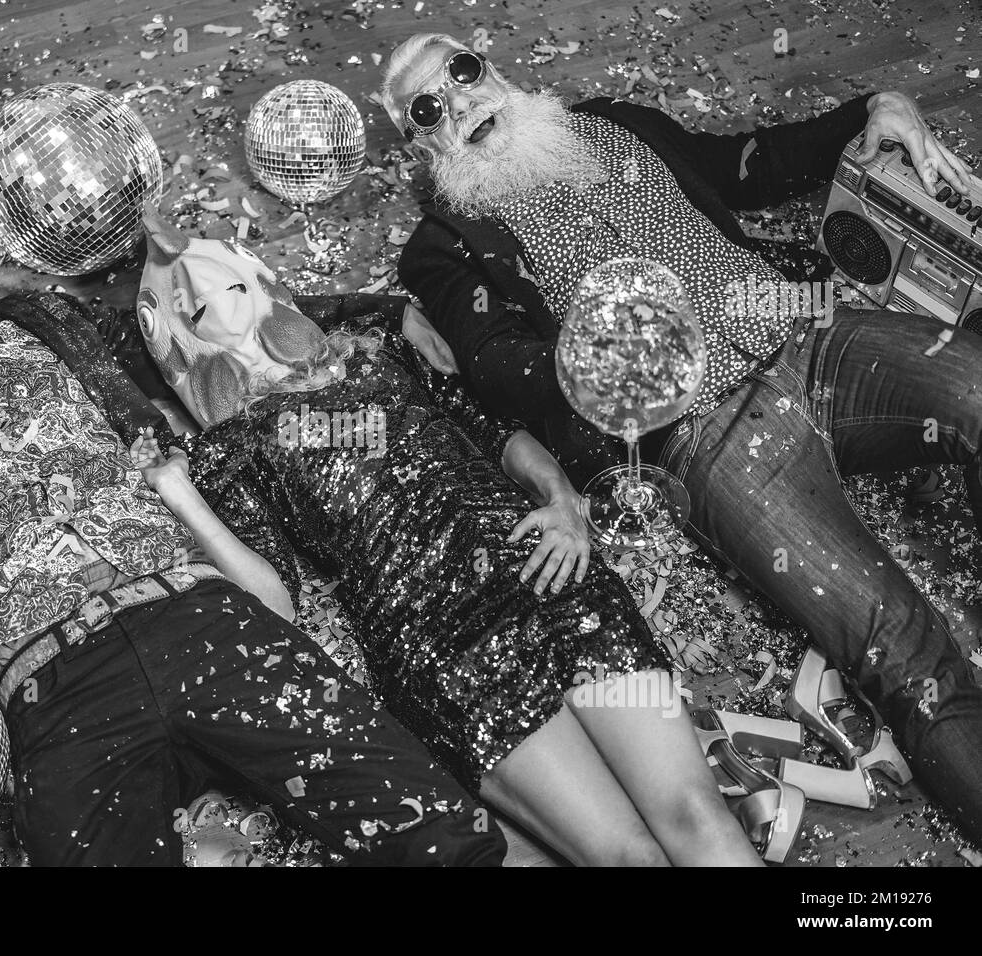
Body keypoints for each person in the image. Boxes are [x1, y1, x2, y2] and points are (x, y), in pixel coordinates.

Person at [0, 162, 505, 867]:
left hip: (200, 619)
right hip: (53, 691)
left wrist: (375, 306)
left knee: (441, 835)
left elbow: (207, 318)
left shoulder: (45, 323)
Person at [380, 32, 982, 843]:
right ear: (419, 142)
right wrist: (589, 348)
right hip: (708, 430)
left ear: (493, 71)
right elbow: (491, 363)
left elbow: (745, 163)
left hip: (805, 333)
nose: (457, 101)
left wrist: (866, 112)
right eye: (428, 108)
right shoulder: (443, 246)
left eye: (461, 73)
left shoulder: (609, 123)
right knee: (901, 650)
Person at [128, 210, 773, 865]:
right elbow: (274, 602)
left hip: (542, 568)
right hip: (441, 641)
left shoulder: (372, 345)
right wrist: (182, 496)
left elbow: (486, 428)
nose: (223, 310)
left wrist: (561, 499)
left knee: (697, 815)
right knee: (625, 856)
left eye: (231, 288)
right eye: (200, 310)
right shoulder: (233, 451)